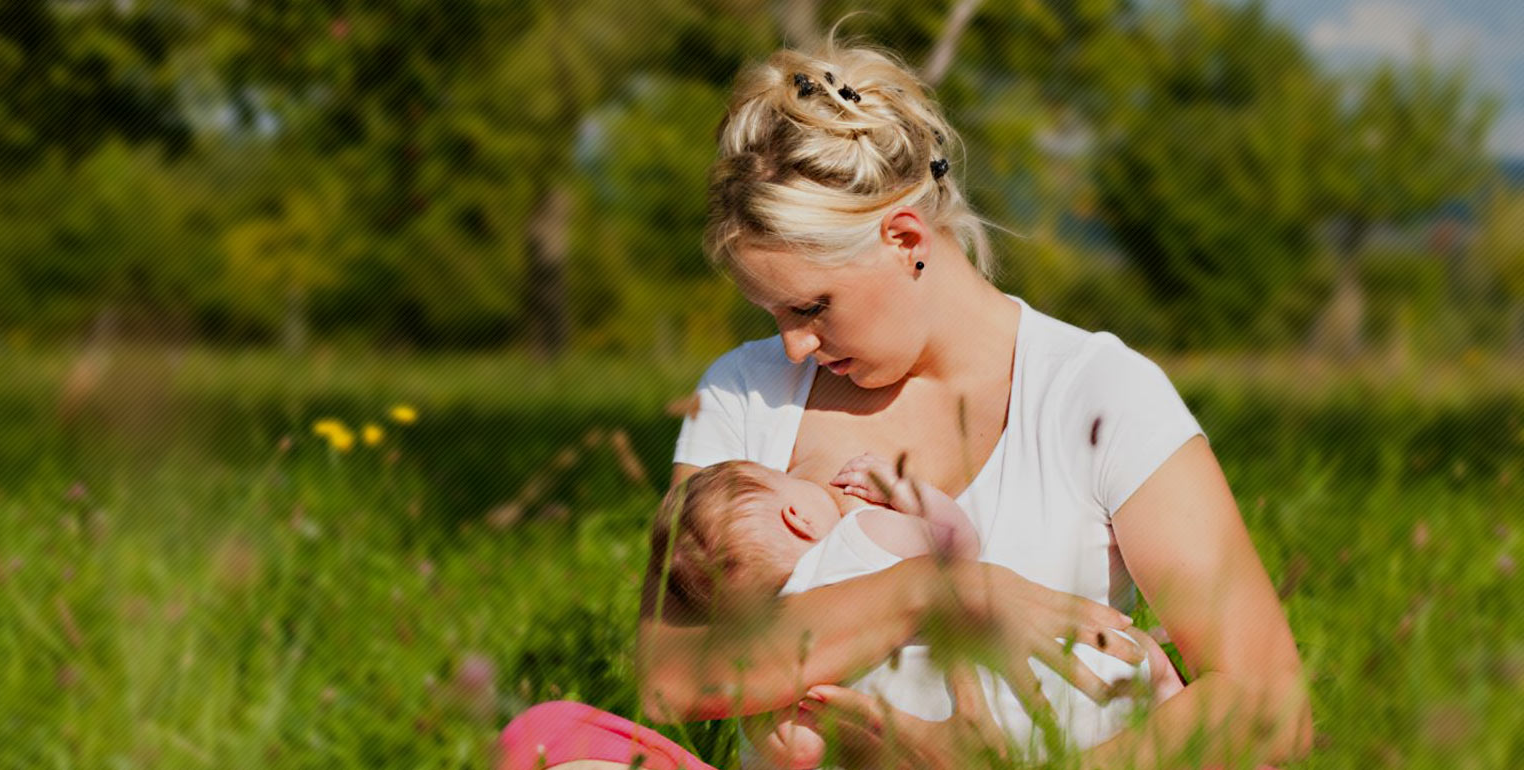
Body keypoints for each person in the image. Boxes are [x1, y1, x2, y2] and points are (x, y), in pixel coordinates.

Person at [501, 37, 1311, 770]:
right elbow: (675, 678)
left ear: (905, 240)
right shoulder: (745, 393)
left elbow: (1267, 700)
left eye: (812, 307)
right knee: (550, 749)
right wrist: (923, 591)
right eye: (773, 314)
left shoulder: (1095, 394)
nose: (791, 346)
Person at [658, 453, 1181, 769]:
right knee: (1145, 657)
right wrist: (906, 495)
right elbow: (960, 547)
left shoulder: (773, 657)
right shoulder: (860, 535)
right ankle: (1174, 692)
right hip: (1032, 695)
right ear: (796, 515)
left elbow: (798, 751)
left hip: (927, 738)